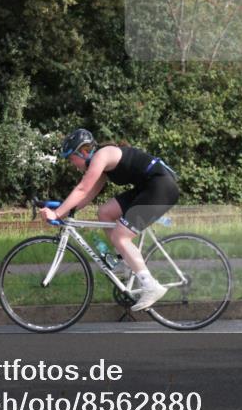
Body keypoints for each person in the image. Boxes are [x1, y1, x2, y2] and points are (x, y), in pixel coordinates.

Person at [40, 128, 179, 311]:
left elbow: (82, 189)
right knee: (105, 212)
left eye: (71, 158)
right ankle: (125, 262)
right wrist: (64, 211)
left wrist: (57, 213)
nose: (72, 164)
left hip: (161, 187)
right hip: (147, 188)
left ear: (82, 151)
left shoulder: (102, 156)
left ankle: (150, 285)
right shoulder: (102, 163)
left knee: (120, 236)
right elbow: (87, 195)